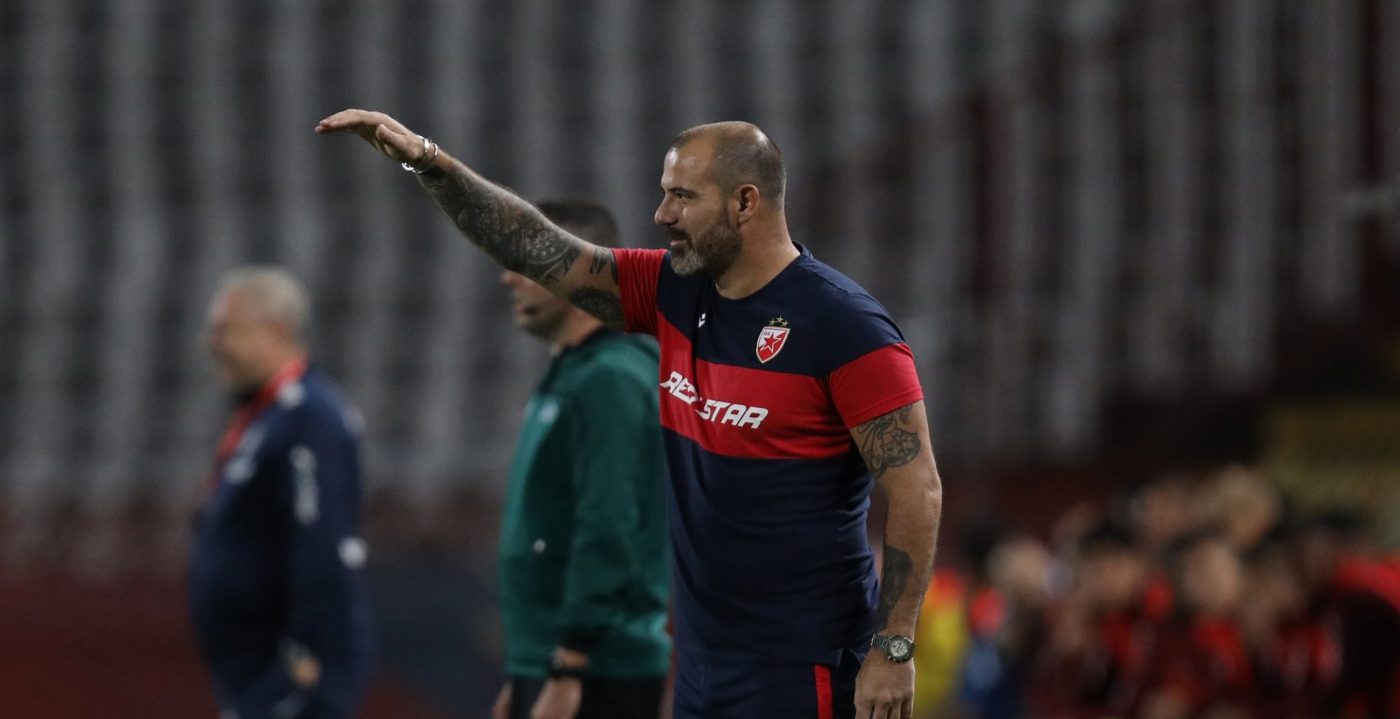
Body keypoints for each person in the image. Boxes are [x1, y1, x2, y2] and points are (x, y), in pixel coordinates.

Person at [317, 110, 944, 719]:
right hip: (702, 662)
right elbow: (534, 247)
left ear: (745, 203)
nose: (662, 214)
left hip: (804, 663)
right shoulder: (674, 289)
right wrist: (429, 162)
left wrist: (894, 648)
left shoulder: (845, 325)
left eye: (682, 196)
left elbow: (917, 489)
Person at [492, 199, 671, 719]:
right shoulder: (575, 372)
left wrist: (568, 665)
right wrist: (527, 667)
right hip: (554, 660)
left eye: (525, 262)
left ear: (578, 269)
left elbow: (608, 523)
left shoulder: (610, 379)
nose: (509, 279)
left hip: (597, 670)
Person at [190, 267, 374, 719]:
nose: (211, 343)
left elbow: (322, 542)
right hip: (254, 673)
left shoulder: (309, 418)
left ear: (275, 331)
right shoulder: (267, 417)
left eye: (224, 330)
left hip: (288, 675)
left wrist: (306, 654)